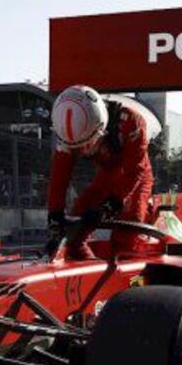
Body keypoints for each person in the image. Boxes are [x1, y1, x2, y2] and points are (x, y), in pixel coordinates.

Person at [46, 85, 153, 259]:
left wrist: (110, 206)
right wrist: (54, 215)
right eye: (76, 147)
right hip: (105, 176)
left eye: (86, 144)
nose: (81, 151)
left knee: (127, 236)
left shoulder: (131, 123)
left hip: (135, 178)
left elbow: (135, 172)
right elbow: (59, 176)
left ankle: (126, 280)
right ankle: (90, 274)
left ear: (101, 127)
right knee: (72, 235)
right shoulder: (67, 131)